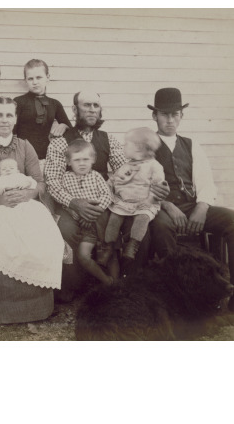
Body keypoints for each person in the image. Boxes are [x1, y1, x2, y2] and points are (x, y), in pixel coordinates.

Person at [44, 90, 169, 296]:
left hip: (105, 200)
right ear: (75, 109)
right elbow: (53, 181)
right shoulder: (60, 141)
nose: (92, 109)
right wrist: (75, 203)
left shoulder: (108, 139)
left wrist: (155, 185)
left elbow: (127, 172)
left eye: (96, 105)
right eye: (86, 105)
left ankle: (128, 285)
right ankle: (73, 288)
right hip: (70, 203)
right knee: (65, 230)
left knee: (134, 225)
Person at [0, 96, 62, 326]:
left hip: (22, 199)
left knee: (35, 233)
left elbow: (39, 182)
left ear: (15, 118)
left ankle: (34, 306)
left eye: (9, 115)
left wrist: (28, 194)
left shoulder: (25, 146)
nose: (4, 120)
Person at [147, 88, 234, 310]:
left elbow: (206, 182)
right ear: (154, 116)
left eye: (175, 114)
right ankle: (180, 299)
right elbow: (140, 185)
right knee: (161, 228)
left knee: (232, 220)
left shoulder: (191, 144)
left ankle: (229, 290)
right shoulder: (145, 146)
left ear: (181, 116)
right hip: (160, 208)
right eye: (164, 114)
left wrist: (202, 207)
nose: (170, 120)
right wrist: (167, 206)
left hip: (192, 204)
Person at [0, 158, 64, 290]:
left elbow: (33, 183)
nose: (7, 171)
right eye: (4, 169)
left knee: (37, 215)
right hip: (6, 205)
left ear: (17, 170)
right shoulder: (0, 180)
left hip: (25, 203)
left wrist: (26, 185)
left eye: (11, 168)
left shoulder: (21, 177)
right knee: (4, 220)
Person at [102, 127, 166, 273]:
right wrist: (108, 185)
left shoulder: (154, 166)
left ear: (138, 149)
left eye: (126, 144)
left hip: (144, 202)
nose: (123, 147)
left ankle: (133, 244)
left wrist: (150, 200)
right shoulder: (127, 165)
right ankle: (108, 246)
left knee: (142, 219)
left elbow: (158, 185)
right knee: (114, 218)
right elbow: (115, 179)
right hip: (124, 202)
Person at [61, 139, 116, 285]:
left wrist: (92, 214)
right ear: (68, 162)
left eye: (86, 159)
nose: (82, 163)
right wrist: (78, 215)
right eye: (77, 160)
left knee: (110, 252)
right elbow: (66, 203)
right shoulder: (65, 179)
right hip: (86, 228)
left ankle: (116, 284)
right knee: (83, 256)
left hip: (101, 223)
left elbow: (107, 196)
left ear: (93, 160)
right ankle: (106, 281)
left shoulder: (96, 176)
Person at [14, 59, 72, 170]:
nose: (35, 82)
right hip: (22, 156)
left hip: (47, 157)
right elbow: (11, 132)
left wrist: (64, 125)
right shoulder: (19, 102)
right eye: (30, 78)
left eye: (39, 77)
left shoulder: (55, 104)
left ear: (48, 77)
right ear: (25, 80)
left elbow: (72, 132)